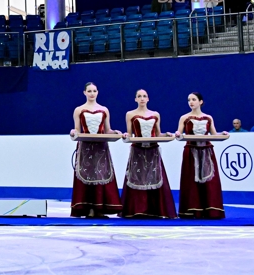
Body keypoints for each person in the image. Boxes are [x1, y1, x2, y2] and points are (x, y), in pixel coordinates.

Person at [119, 89, 177, 219]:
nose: (142, 98)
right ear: (135, 99)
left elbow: (158, 134)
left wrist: (166, 135)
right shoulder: (130, 114)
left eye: (144, 96)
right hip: (137, 150)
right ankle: (136, 209)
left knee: (154, 177)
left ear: (148, 99)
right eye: (139, 96)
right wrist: (126, 135)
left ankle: (154, 210)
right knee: (137, 177)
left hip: (153, 150)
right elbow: (129, 133)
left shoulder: (155, 114)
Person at [69, 82, 122, 218]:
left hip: (101, 147)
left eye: (94, 91)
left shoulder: (104, 109)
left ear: (97, 92)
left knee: (100, 176)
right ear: (84, 93)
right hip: (85, 147)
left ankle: (99, 208)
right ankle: (88, 208)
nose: (92, 93)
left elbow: (108, 130)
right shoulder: (79, 110)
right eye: (89, 91)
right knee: (86, 176)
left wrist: (115, 132)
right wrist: (73, 132)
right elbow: (77, 129)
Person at [175, 92, 227, 219]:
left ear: (201, 102)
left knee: (209, 181)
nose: (191, 102)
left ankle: (211, 210)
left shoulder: (208, 118)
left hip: (206, 151)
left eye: (193, 99)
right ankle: (193, 210)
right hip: (191, 151)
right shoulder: (184, 118)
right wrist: (177, 134)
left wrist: (223, 134)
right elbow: (179, 133)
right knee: (191, 180)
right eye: (189, 100)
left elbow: (214, 134)